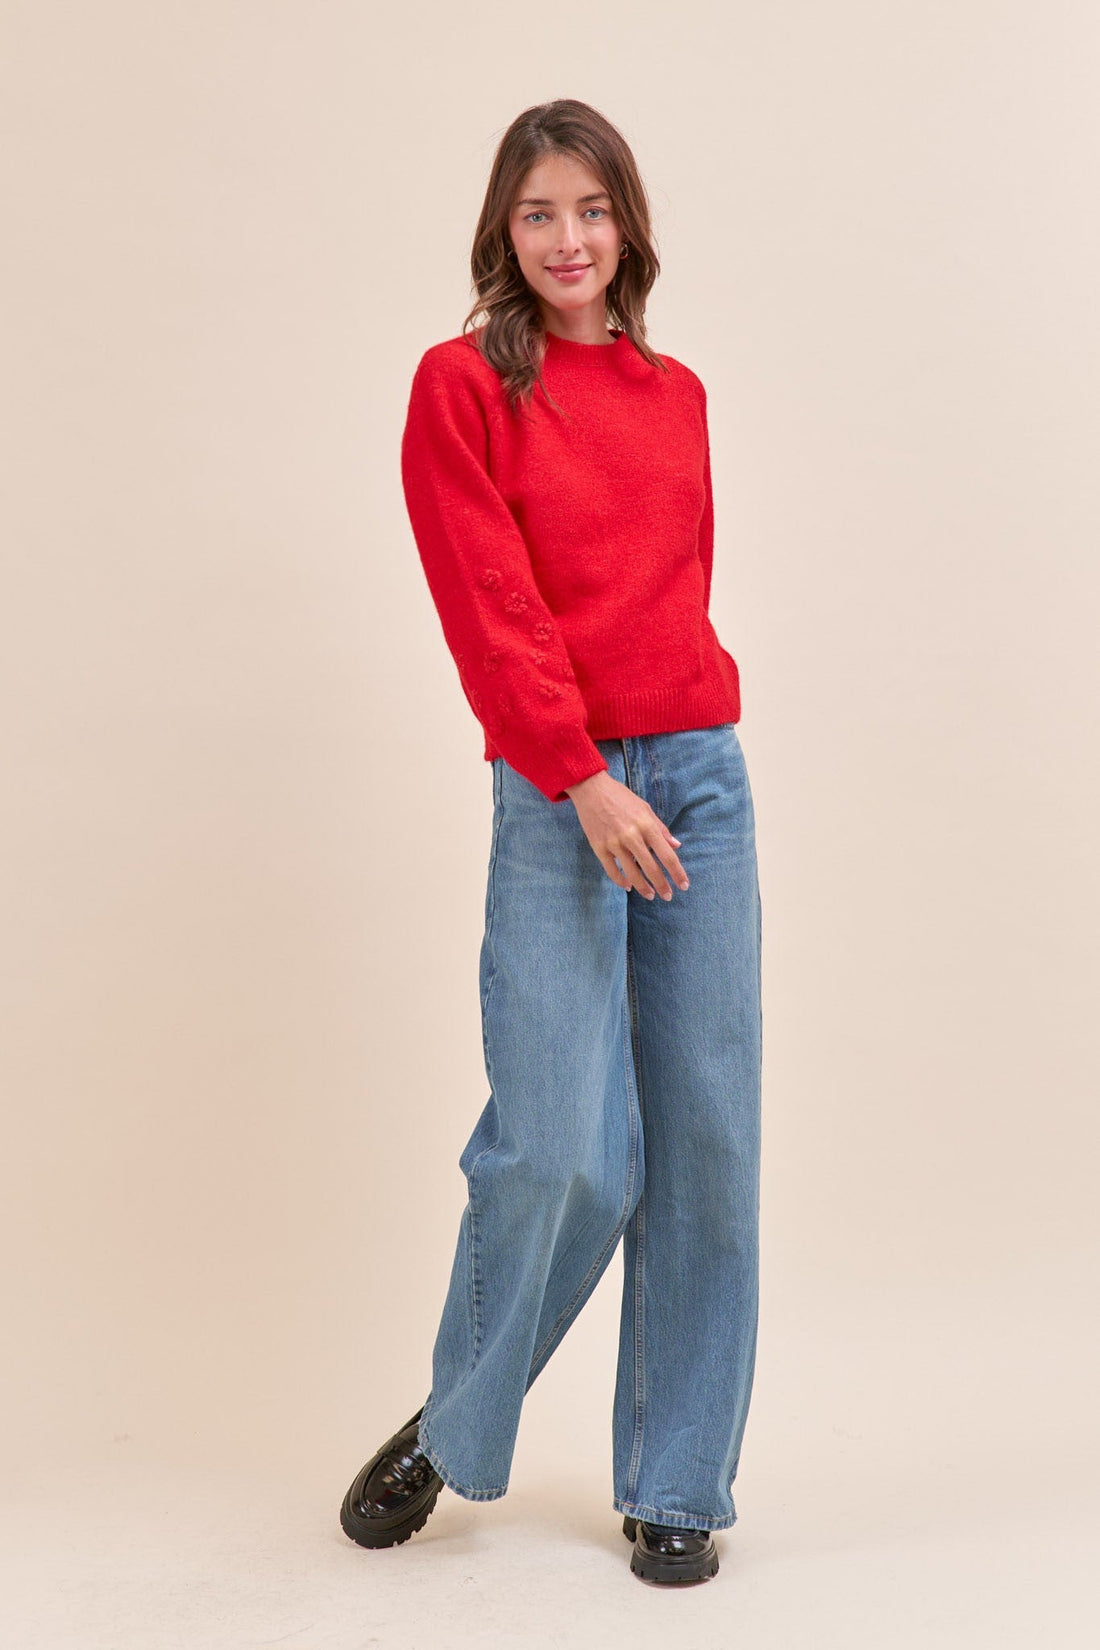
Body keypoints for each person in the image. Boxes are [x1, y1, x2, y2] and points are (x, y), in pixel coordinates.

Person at [339, 98, 762, 1588]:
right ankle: (458, 1416)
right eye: (539, 213)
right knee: (564, 1147)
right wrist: (581, 775)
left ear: (627, 226)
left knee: (707, 1144)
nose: (568, 238)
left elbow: (669, 598)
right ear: (503, 232)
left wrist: (660, 760)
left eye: (592, 210)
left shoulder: (676, 392)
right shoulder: (460, 386)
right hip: (559, 786)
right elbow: (488, 602)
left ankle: (679, 1483)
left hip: (698, 776)